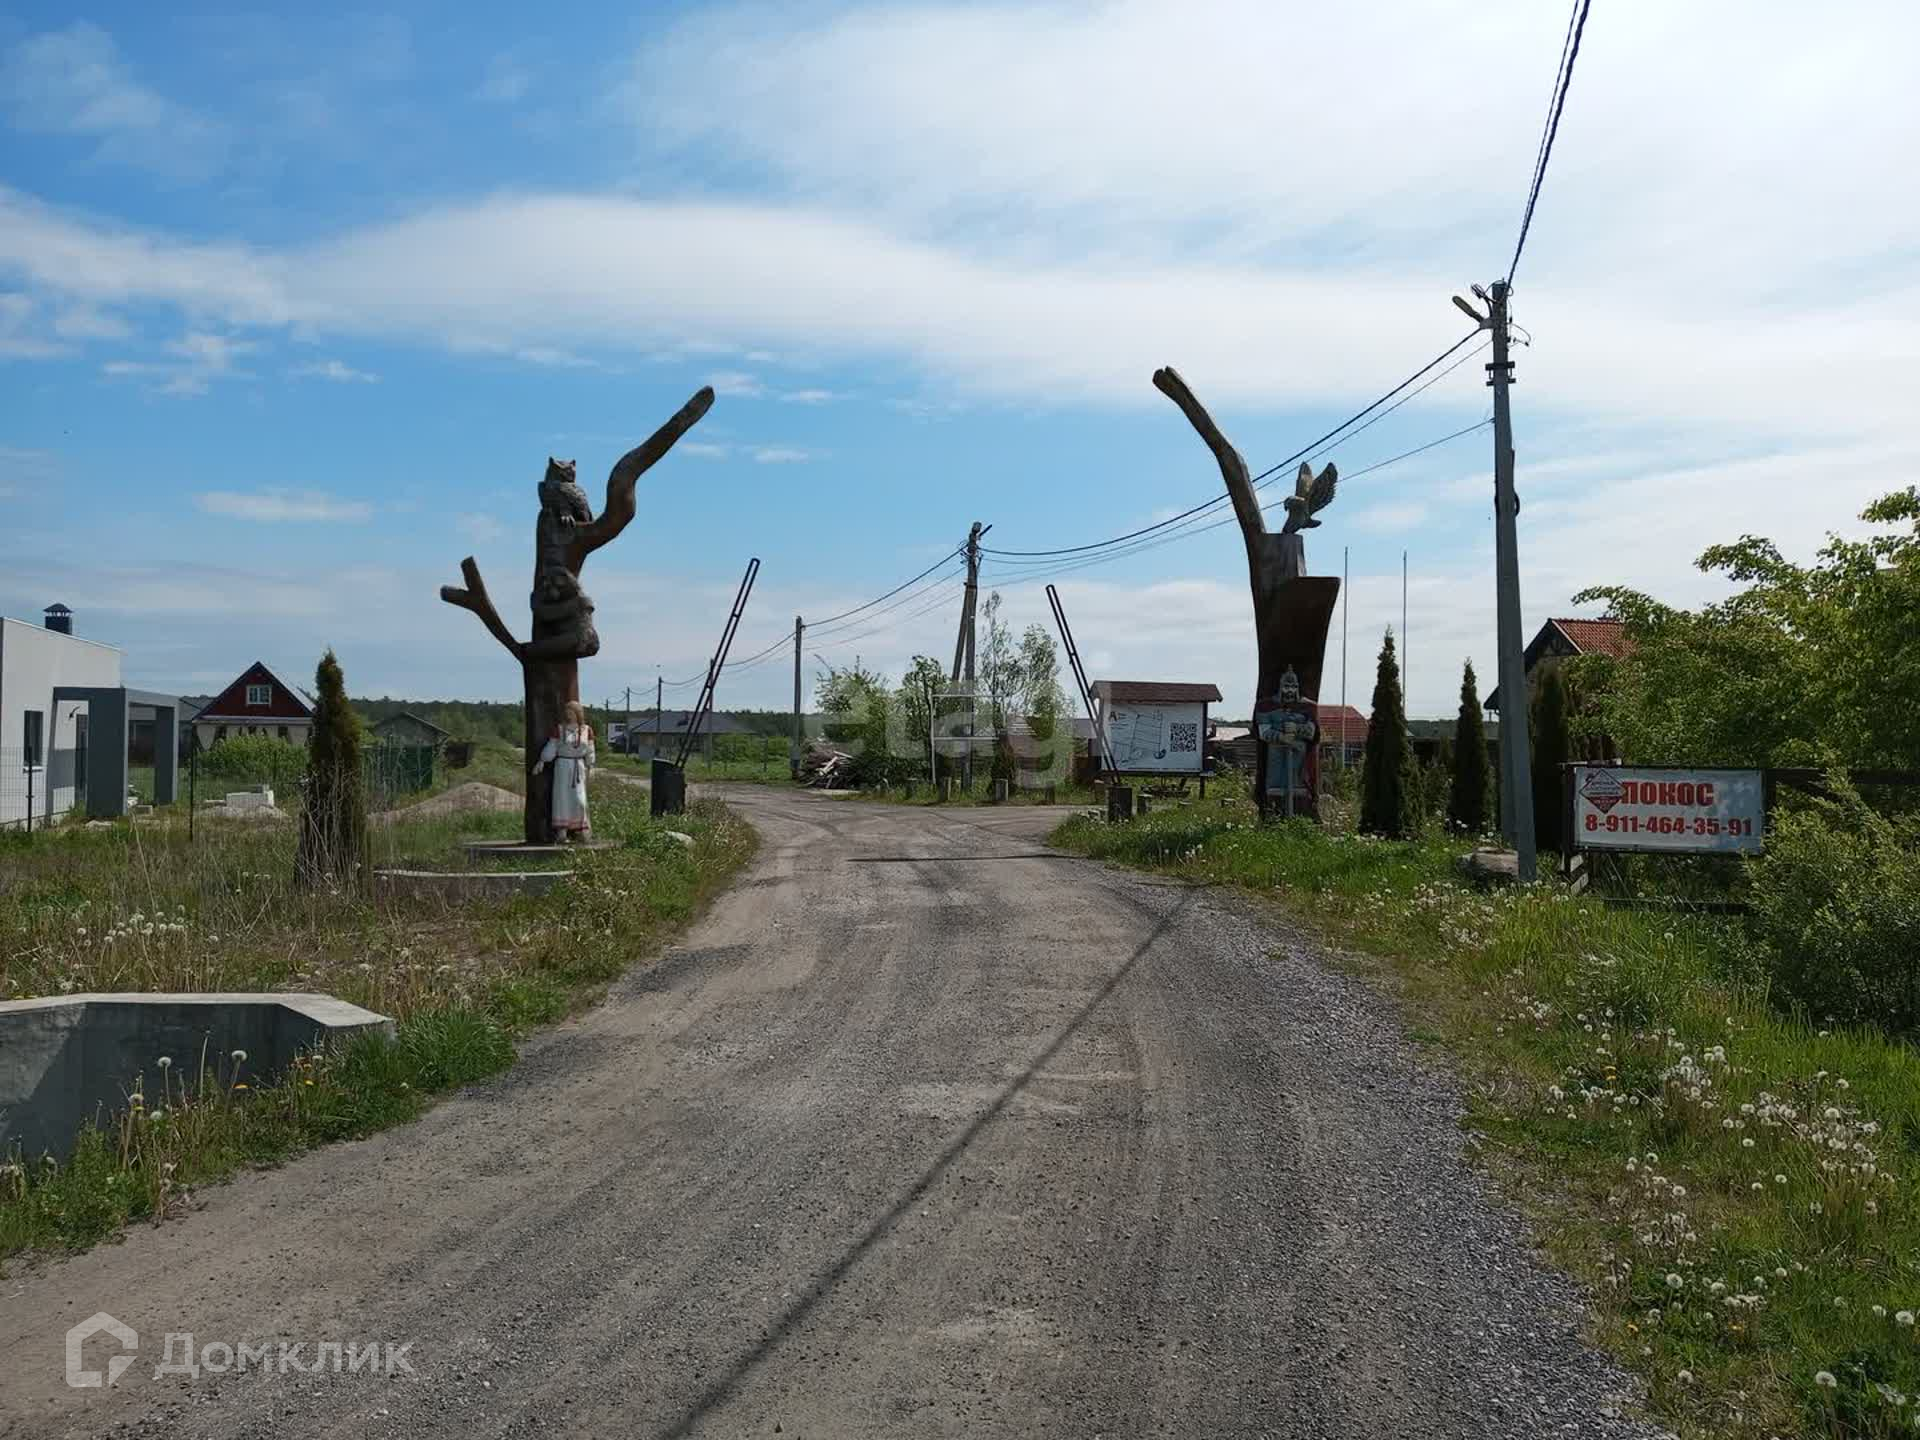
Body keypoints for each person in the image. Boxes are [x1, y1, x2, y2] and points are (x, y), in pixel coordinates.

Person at [532, 701, 596, 841]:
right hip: (562, 766)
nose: (569, 714)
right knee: (562, 798)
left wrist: (590, 765)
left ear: (578, 713)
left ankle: (581, 830)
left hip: (578, 766)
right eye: (567, 711)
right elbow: (552, 746)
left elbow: (590, 750)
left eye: (572, 711)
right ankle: (562, 832)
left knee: (580, 799)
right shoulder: (560, 729)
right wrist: (543, 760)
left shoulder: (586, 730)